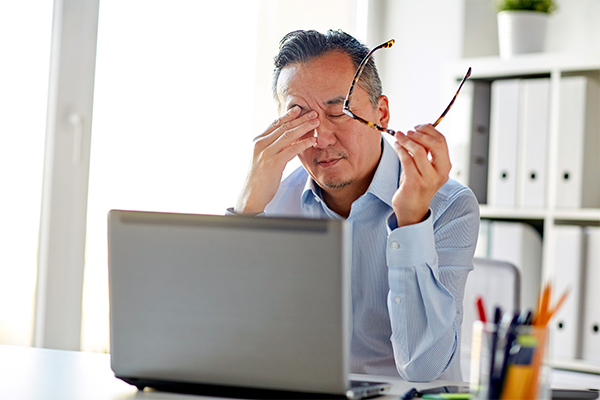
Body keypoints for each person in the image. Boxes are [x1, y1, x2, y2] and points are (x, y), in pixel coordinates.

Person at [229, 29, 479, 382]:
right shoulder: (272, 202)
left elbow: (425, 368)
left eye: (339, 112)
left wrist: (411, 222)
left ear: (382, 113)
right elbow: (226, 343)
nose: (321, 139)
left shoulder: (449, 206)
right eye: (300, 118)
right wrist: (247, 208)